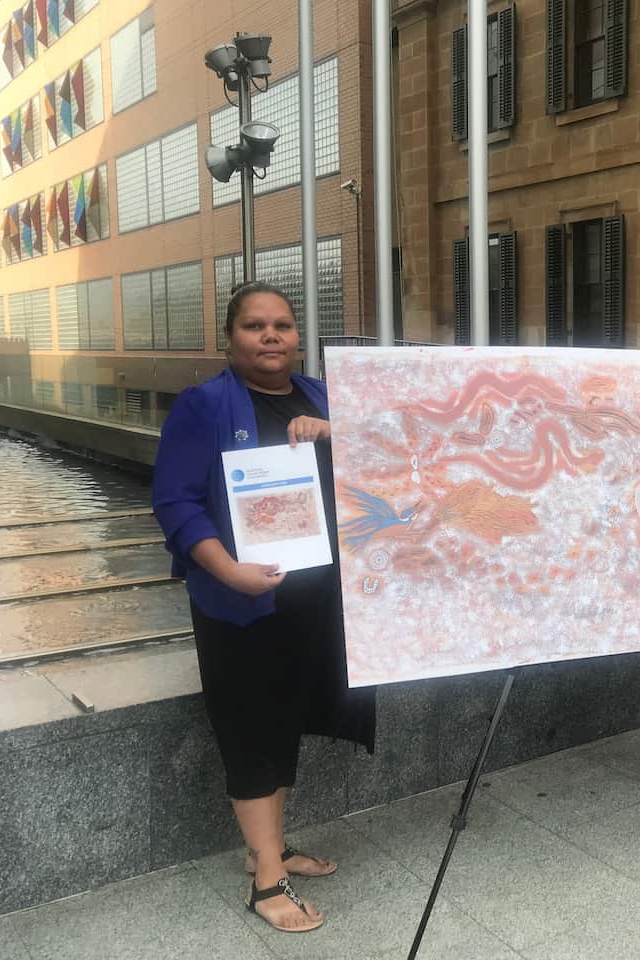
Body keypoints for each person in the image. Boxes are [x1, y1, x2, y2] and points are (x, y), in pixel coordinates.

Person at [152, 281, 375, 932]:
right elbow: (176, 502)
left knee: (285, 724)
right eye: (255, 326)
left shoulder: (322, 396)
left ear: (298, 335)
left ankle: (267, 849)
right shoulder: (205, 405)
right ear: (230, 337)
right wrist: (228, 570)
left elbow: (391, 457)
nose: (271, 335)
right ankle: (268, 883)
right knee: (252, 730)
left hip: (316, 601)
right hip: (241, 604)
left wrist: (337, 432)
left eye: (282, 324)